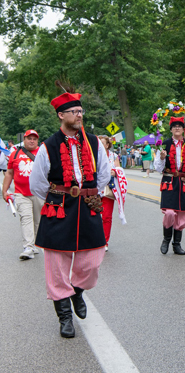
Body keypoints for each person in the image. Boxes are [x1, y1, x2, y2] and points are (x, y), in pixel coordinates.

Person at [30, 92, 110, 338]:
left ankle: (76, 290)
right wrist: (60, 195)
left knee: (93, 259)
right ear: (60, 115)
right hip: (59, 206)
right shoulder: (48, 146)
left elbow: (104, 175)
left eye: (80, 111)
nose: (79, 115)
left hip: (88, 204)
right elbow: (37, 184)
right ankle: (64, 316)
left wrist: (86, 192)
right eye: (74, 112)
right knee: (56, 264)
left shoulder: (94, 143)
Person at [155, 117, 185, 255]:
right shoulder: (164, 144)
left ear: (183, 129)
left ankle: (177, 244)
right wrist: (162, 158)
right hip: (169, 181)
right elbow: (157, 167)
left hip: (183, 182)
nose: (177, 128)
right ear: (171, 129)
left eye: (179, 126)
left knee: (181, 215)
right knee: (169, 212)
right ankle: (166, 239)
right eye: (174, 126)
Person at [2, 130, 44, 260]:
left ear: (37, 141)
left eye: (34, 139)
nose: (32, 141)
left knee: (38, 221)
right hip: (21, 193)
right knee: (26, 218)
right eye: (29, 138)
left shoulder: (43, 154)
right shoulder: (15, 154)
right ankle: (28, 247)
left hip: (39, 193)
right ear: (24, 140)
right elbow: (9, 173)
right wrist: (5, 191)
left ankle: (36, 244)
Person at [98, 136, 122, 251]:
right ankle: (94, 240)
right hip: (95, 191)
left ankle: (104, 242)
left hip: (108, 190)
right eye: (99, 143)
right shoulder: (93, 155)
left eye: (103, 143)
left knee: (106, 216)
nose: (101, 145)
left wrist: (115, 172)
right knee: (94, 216)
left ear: (107, 145)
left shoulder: (113, 156)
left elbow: (120, 171)